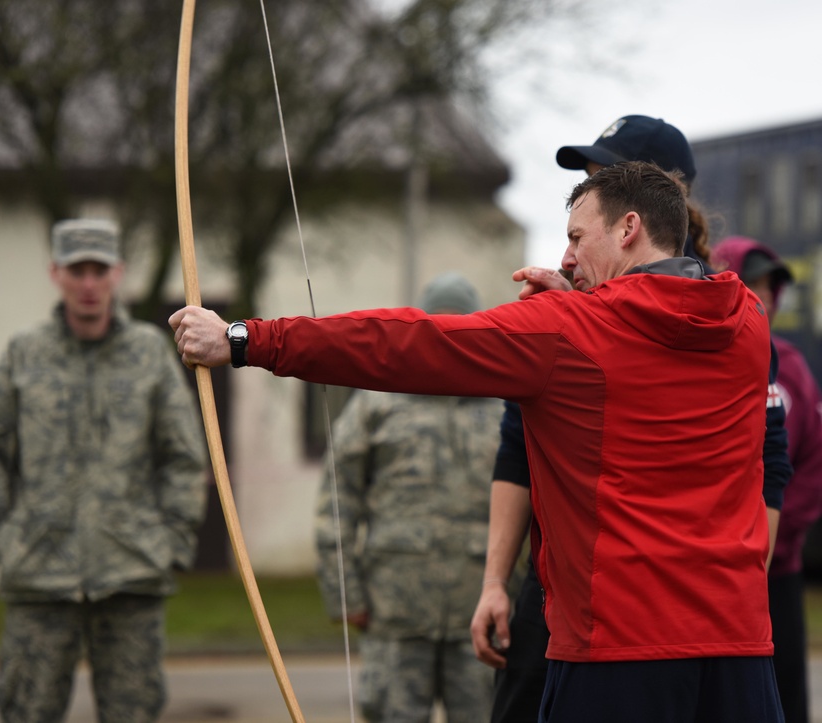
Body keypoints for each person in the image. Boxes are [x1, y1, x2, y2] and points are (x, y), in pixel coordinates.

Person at [172, 161, 785, 723]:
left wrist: (245, 339)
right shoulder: (748, 324)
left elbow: (407, 345)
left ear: (629, 228)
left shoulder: (566, 331)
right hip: (740, 650)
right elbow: (648, 367)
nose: (568, 259)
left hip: (618, 652)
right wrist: (581, 315)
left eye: (577, 237)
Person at [478, 115, 793, 723]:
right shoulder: (580, 293)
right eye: (596, 175)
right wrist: (495, 580)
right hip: (561, 594)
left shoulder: (733, 312)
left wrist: (731, 594)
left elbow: (768, 463)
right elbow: (519, 442)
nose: (597, 185)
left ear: (646, 205)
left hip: (663, 620)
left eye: (608, 175)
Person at [0, 219, 209, 723]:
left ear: (118, 273)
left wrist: (171, 541)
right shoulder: (24, 352)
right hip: (39, 573)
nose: (88, 283)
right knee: (26, 710)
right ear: (56, 273)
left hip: (131, 573)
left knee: (134, 711)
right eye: (77, 270)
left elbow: (183, 456)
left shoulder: (147, 354)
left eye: (99, 270)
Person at [315, 272, 503, 722]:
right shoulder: (377, 402)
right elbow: (337, 501)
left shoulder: (503, 404)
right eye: (439, 327)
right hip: (394, 611)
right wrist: (345, 593)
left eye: (462, 327)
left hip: (479, 616)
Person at [712, 236, 822, 723]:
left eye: (770, 286)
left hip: (778, 573)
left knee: (785, 701)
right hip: (720, 576)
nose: (765, 297)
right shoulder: (711, 358)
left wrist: (772, 538)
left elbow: (811, 465)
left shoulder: (793, 369)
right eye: (752, 283)